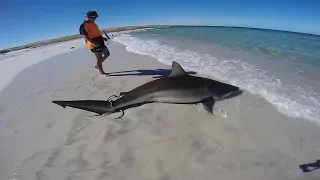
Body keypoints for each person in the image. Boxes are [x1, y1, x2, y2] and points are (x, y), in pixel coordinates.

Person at [79, 10, 110, 75]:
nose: (95, 19)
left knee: (107, 54)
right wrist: (94, 43)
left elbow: (96, 32)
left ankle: (97, 66)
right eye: (93, 17)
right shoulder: (83, 25)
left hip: (100, 41)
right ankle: (102, 72)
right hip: (93, 44)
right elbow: (86, 36)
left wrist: (102, 38)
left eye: (95, 17)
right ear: (87, 17)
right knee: (99, 58)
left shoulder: (94, 23)